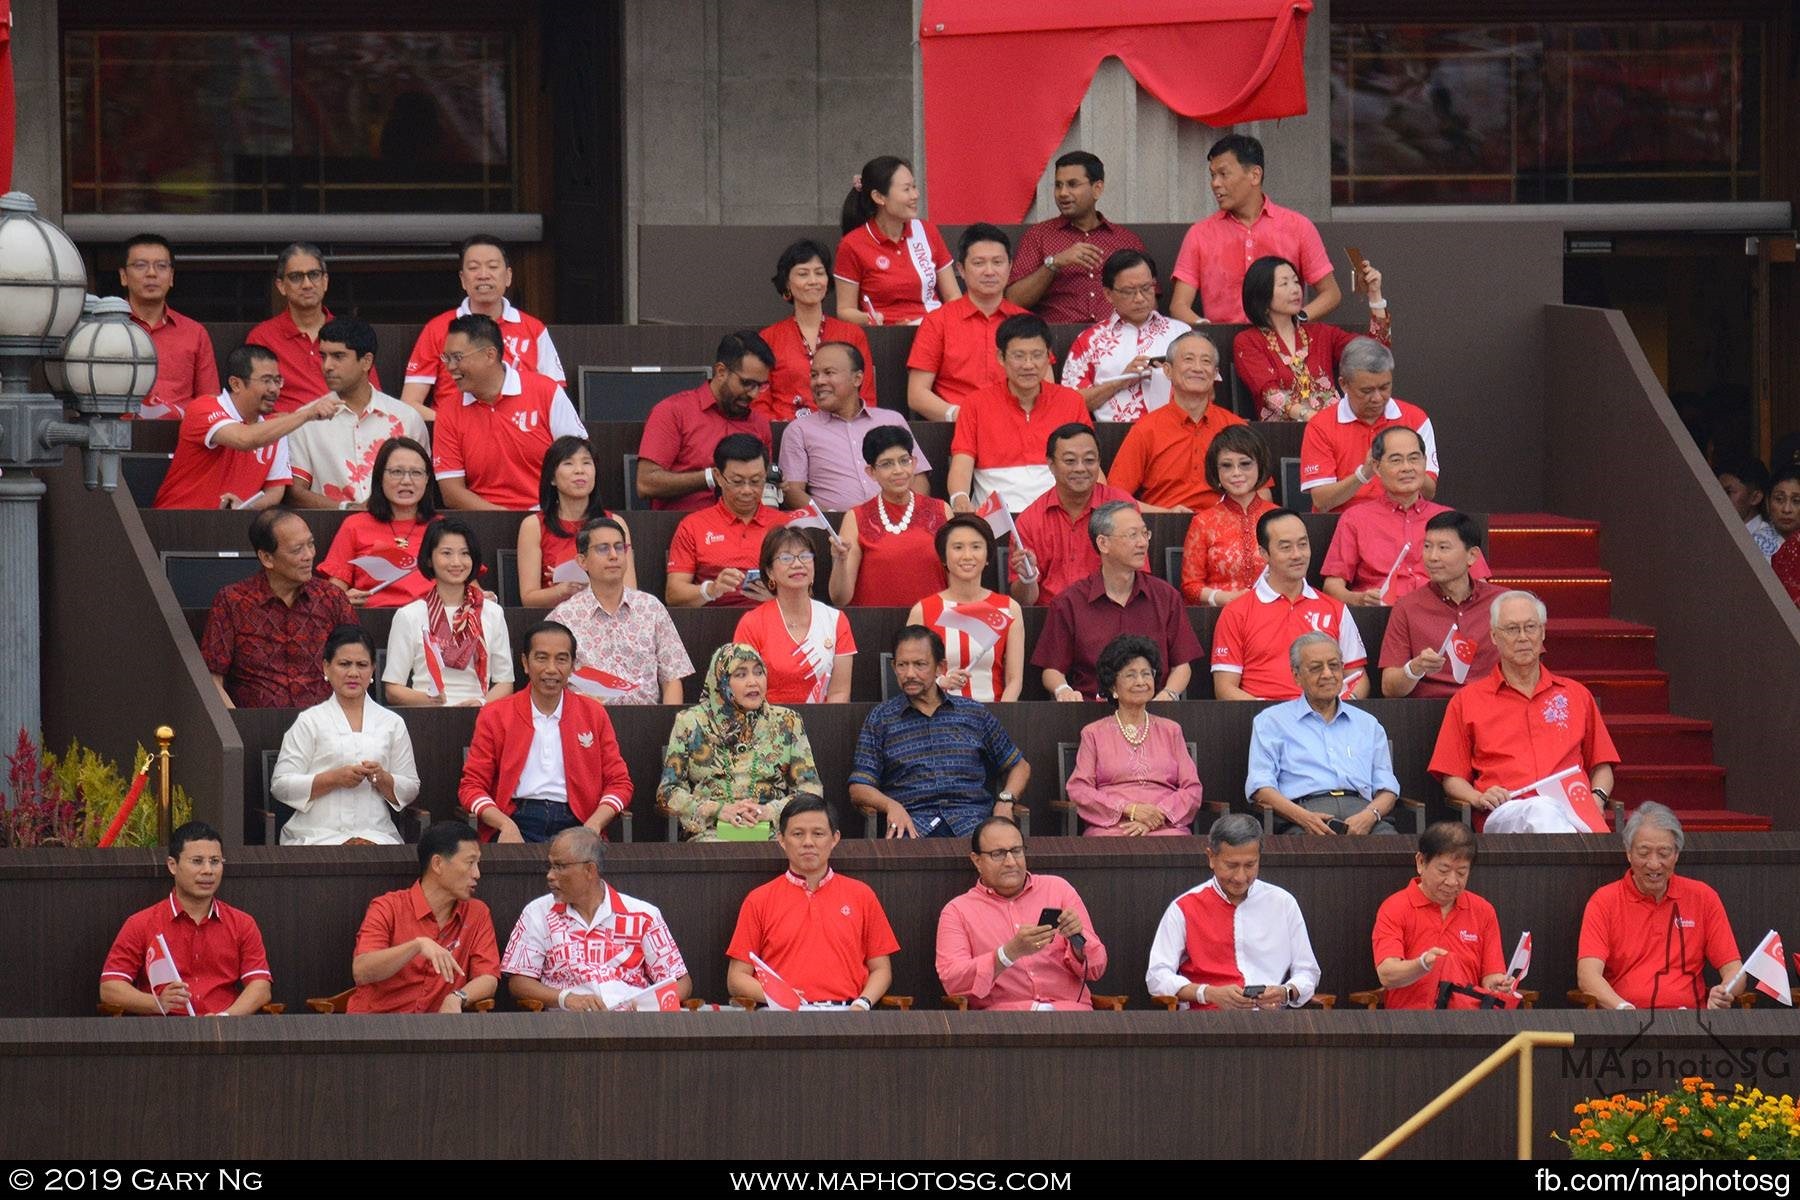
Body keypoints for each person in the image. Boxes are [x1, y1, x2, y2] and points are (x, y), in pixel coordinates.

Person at [1429, 590, 1621, 833]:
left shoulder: (1575, 694)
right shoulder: (1467, 701)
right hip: (1506, 809)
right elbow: (1451, 777)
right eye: (1511, 629)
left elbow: (1602, 763)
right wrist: (1477, 797)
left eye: (1530, 627)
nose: (1522, 637)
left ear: (1542, 633)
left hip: (1574, 806)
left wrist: (1597, 798)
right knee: (1542, 810)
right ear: (1494, 636)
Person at [849, 625, 1028, 840]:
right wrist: (890, 805)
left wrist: (1005, 801)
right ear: (893, 667)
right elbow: (859, 787)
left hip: (973, 824)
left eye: (920, 665)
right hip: (912, 825)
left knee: (998, 850)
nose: (909, 674)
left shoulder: (973, 713)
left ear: (940, 667)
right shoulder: (881, 718)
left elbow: (1019, 766)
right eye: (902, 665)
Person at [459, 621, 632, 843]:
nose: (551, 668)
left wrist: (594, 825)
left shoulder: (593, 713)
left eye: (561, 659)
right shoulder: (495, 714)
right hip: (516, 819)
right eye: (541, 658)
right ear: (525, 663)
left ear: (572, 666)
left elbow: (620, 783)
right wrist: (504, 824)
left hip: (578, 822)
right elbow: (470, 786)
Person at [725, 796, 900, 1008]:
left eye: (818, 834)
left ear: (834, 839)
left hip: (849, 1015)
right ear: (781, 839)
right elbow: (736, 978)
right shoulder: (759, 899)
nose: (808, 842)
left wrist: (862, 1004)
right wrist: (781, 996)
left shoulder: (861, 895)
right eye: (798, 834)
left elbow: (881, 969)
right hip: (783, 1015)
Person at [501, 827, 693, 1011]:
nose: (550, 876)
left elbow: (680, 981)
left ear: (590, 870)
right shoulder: (538, 913)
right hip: (565, 1027)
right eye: (550, 866)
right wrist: (565, 999)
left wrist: (649, 1006)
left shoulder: (643, 915)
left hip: (632, 1025)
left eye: (559, 867)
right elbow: (519, 983)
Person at [1577, 803, 1745, 1011]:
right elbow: (1587, 975)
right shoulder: (1604, 901)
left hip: (1691, 1023)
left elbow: (1736, 971)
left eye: (1664, 853)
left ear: (1676, 854)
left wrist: (1725, 991)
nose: (1654, 864)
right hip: (1626, 1022)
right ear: (1629, 853)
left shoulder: (1703, 897)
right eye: (1644, 853)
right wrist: (1622, 1009)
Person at [1145, 813, 1321, 1009]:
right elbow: (1156, 977)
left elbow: (1308, 972)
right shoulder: (1184, 907)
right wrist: (1208, 993)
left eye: (1250, 865)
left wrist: (1284, 992)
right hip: (1206, 1023)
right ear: (1211, 857)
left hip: (1271, 1021)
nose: (1240, 877)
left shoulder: (1283, 903)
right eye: (1231, 866)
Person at [99, 821, 273, 1016]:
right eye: (197, 861)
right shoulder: (141, 923)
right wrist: (156, 1003)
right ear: (173, 866)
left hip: (224, 1034)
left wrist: (225, 1019)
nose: (208, 870)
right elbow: (110, 987)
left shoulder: (242, 923)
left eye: (215, 861)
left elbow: (260, 987)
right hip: (163, 1036)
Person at [1034, 502, 1201, 702]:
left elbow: (1182, 666)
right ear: (1103, 543)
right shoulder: (1069, 602)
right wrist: (1063, 690)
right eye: (1132, 535)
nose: (1142, 543)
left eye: (1145, 533)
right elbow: (1052, 669)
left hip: (1153, 711)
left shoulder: (1166, 597)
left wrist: (1168, 695)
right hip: (1092, 713)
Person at [935, 817, 1108, 1010]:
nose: (1010, 862)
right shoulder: (957, 911)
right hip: (1007, 1025)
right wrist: (1008, 953)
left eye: (1016, 851)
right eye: (998, 854)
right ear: (977, 861)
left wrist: (1078, 942)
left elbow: (1096, 968)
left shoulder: (1058, 889)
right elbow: (953, 981)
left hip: (1069, 1017)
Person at [657, 644, 824, 842]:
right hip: (710, 832)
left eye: (759, 672)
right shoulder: (691, 722)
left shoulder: (786, 721)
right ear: (722, 680)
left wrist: (769, 811)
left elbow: (811, 789)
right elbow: (667, 794)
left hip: (772, 831)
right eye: (741, 674)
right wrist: (718, 809)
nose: (753, 682)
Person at [271, 626, 421, 846]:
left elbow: (410, 786)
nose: (353, 673)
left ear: (373, 670)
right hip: (316, 836)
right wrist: (334, 778)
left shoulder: (392, 723)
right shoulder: (310, 720)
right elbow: (281, 785)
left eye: (362, 665)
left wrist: (382, 778)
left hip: (376, 835)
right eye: (344, 664)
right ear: (326, 667)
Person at [1169, 135, 1339, 326]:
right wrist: (1206, 331)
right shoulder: (1199, 233)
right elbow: (1179, 305)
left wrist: (1297, 319)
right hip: (1222, 343)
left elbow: (1331, 293)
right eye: (1212, 175)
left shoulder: (1298, 226)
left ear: (1255, 175)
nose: (1215, 183)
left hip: (1282, 343)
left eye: (1223, 174)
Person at [1247, 632, 1402, 835]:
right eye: (1316, 668)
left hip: (1362, 812)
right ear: (1296, 676)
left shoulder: (1368, 724)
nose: (1327, 674)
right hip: (1303, 815)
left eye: (1334, 665)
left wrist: (1370, 815)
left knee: (1391, 847)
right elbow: (1261, 787)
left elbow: (1388, 788)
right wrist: (1303, 818)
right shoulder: (1271, 722)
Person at [201, 508, 357, 709]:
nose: (309, 555)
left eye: (311, 544)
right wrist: (239, 725)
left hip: (325, 727)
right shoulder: (233, 601)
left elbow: (357, 665)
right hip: (257, 728)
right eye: (297, 549)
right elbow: (212, 678)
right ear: (267, 558)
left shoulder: (331, 597)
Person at [153, 344, 341, 510]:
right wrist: (307, 414)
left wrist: (246, 506)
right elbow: (245, 439)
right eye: (266, 380)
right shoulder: (204, 408)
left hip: (231, 528)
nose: (274, 389)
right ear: (236, 384)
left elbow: (275, 491)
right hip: (176, 520)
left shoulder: (274, 427)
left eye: (277, 381)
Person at [401, 235, 564, 423]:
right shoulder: (437, 329)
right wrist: (454, 426)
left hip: (519, 431)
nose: (483, 274)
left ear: (508, 276)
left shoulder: (534, 329)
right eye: (473, 268)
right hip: (455, 435)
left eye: (493, 266)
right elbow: (410, 404)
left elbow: (555, 397)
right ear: (462, 279)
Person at [431, 313, 586, 511]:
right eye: (447, 358)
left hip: (548, 516)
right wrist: (506, 519)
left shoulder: (546, 392)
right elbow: (452, 492)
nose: (450, 367)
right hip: (483, 523)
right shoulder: (448, 411)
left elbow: (579, 460)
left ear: (490, 355)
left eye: (458, 358)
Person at [1211, 509, 1369, 701]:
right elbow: (1225, 688)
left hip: (1325, 719)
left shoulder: (1335, 609)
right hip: (1267, 720)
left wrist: (1340, 705)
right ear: (1264, 553)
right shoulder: (1236, 612)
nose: (1297, 555)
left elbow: (1357, 677)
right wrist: (1277, 716)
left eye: (1303, 545)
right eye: (1286, 547)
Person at [1321, 426, 1489, 606]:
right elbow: (1332, 586)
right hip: (1380, 617)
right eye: (1396, 460)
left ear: (1425, 462)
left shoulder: (1449, 519)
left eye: (1414, 459)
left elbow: (1480, 584)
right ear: (1377, 467)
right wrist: (1358, 599)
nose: (1407, 468)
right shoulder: (1356, 518)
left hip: (1440, 614)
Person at [946, 313, 1093, 515]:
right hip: (996, 521)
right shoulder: (975, 404)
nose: (1028, 365)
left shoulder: (1072, 401)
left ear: (1048, 357)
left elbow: (1088, 463)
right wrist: (959, 498)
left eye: (1036, 355)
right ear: (1001, 357)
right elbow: (962, 464)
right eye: (1019, 356)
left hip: (1057, 516)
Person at [347, 821, 500, 1014]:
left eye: (478, 864)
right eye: (470, 863)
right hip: (378, 1029)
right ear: (437, 864)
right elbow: (362, 971)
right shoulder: (388, 907)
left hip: (436, 1033)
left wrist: (457, 997)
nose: (477, 874)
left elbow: (488, 977)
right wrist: (417, 946)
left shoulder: (477, 913)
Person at [285, 318, 428, 510]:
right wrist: (348, 509)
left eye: (338, 356)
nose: (327, 366)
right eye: (323, 356)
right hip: (331, 528)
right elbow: (295, 493)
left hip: (397, 528)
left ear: (366, 361)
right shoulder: (306, 419)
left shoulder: (407, 417)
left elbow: (424, 483)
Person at [1066, 635, 1202, 836]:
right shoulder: (1093, 733)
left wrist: (1156, 817)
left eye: (1146, 674)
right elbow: (1079, 789)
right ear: (1113, 686)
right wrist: (1129, 809)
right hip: (1113, 827)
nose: (1141, 681)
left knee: (1174, 839)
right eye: (1130, 675)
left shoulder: (1171, 730)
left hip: (1165, 826)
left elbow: (1192, 789)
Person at [548, 517, 693, 706]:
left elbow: (672, 678)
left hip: (647, 722)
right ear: (582, 561)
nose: (614, 555)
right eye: (603, 549)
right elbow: (553, 680)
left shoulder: (651, 607)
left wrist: (668, 725)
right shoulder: (564, 617)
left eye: (619, 547)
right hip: (588, 724)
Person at [1372, 821, 1517, 1009]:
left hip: (1468, 1021)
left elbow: (1491, 976)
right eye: (1443, 870)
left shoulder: (1483, 910)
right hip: (1410, 1023)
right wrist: (1422, 964)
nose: (1452, 881)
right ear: (1421, 862)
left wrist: (1499, 985)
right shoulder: (1395, 907)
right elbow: (1387, 975)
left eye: (1461, 873)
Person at [1109, 330, 1252, 514]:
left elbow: (1261, 494)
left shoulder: (1235, 426)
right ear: (1168, 370)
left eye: (1206, 361)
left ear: (1215, 373)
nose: (1198, 368)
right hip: (1162, 527)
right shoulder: (1146, 429)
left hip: (1225, 529)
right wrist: (1165, 514)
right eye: (1188, 359)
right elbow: (1114, 498)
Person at [1235, 254, 1391, 421]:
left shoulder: (1322, 333)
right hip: (1283, 434)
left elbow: (1375, 355)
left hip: (1333, 429)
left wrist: (1375, 295)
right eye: (1284, 284)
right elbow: (1270, 394)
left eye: (1296, 282)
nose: (1295, 289)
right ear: (1261, 294)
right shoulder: (1248, 341)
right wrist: (1313, 418)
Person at [781, 341, 930, 513]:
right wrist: (829, 521)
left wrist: (907, 515)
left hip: (894, 525)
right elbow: (792, 491)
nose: (819, 381)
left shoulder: (891, 420)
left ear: (857, 379)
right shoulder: (799, 429)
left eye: (829, 373)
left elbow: (918, 477)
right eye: (814, 375)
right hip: (834, 532)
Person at [636, 331, 776, 512]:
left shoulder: (759, 424)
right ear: (721, 372)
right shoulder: (674, 411)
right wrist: (711, 478)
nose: (754, 394)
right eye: (747, 383)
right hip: (682, 527)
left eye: (761, 386)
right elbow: (646, 483)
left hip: (745, 530)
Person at [382, 517, 514, 707]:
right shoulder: (409, 615)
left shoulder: (492, 612)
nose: (456, 562)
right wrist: (429, 701)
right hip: (428, 715)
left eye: (465, 553)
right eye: (446, 553)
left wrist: (481, 703)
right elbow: (393, 689)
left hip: (479, 714)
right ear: (429, 559)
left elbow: (505, 682)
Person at [1006, 151, 1148, 325]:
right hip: (1055, 339)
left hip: (1116, 340)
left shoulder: (1126, 241)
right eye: (1058, 185)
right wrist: (1054, 263)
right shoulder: (1039, 236)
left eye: (1072, 184)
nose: (1063, 193)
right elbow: (1013, 301)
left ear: (1097, 188)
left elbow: (1149, 299)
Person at [1299, 338, 1438, 514]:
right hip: (1342, 524)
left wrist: (1408, 464)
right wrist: (1364, 473)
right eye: (1367, 391)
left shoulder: (1415, 418)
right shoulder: (1321, 426)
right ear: (1344, 384)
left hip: (1404, 521)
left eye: (1385, 387)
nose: (1378, 398)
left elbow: (1429, 492)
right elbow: (1322, 502)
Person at [905, 223, 1027, 420]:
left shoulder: (1027, 322)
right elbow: (917, 395)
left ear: (1010, 266)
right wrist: (960, 416)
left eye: (997, 262)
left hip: (1017, 426)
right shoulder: (938, 321)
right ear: (961, 269)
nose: (989, 271)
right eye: (979, 263)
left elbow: (1045, 388)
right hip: (957, 427)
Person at [1380, 511, 1506, 698]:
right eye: (1427, 546)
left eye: (1443, 548)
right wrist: (1415, 668)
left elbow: (1528, 665)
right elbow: (1389, 688)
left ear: (1472, 556)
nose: (1432, 557)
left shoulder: (1504, 602)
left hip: (1493, 706)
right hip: (1433, 711)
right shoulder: (1407, 607)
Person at [1009, 423, 1137, 606]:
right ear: (1051, 465)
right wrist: (1028, 578)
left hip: (1112, 614)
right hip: (1052, 620)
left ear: (1099, 462)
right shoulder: (1030, 521)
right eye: (1070, 461)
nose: (1080, 468)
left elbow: (1138, 578)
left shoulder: (1122, 509)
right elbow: (1024, 603)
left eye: (1089, 460)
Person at [247, 242, 383, 415]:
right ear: (281, 286)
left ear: (325, 281)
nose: (307, 284)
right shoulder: (262, 338)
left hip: (345, 428)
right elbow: (253, 406)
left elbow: (373, 397)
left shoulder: (350, 333)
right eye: (296, 277)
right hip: (288, 435)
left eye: (314, 275)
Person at [1060, 250, 1191, 422]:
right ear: (1108, 294)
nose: (1140, 298)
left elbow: (1208, 393)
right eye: (1129, 291)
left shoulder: (1182, 334)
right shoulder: (1090, 340)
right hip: (1113, 436)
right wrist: (1121, 381)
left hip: (1176, 431)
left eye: (1146, 288)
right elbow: (1069, 404)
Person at [829, 425, 951, 609]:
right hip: (876, 626)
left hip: (933, 624)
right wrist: (840, 561)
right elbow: (840, 598)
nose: (898, 470)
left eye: (904, 461)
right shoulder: (856, 517)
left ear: (914, 462)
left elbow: (956, 582)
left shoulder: (941, 510)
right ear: (871, 472)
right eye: (887, 464)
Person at [733, 526, 857, 704]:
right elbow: (745, 690)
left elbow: (839, 692)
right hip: (768, 725)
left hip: (824, 724)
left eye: (805, 556)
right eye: (786, 558)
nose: (798, 564)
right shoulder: (752, 623)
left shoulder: (836, 620)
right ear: (770, 572)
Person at [907, 516, 1024, 703]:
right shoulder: (922, 610)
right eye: (958, 547)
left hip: (993, 716)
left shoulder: (1009, 608)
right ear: (944, 557)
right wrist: (939, 683)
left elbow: (1014, 680)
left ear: (987, 556)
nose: (967, 556)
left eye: (976, 547)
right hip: (937, 716)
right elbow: (910, 674)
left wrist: (1002, 715)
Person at [757, 239, 877, 422]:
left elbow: (866, 397)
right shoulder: (768, 338)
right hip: (785, 433)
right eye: (803, 274)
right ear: (787, 283)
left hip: (841, 433)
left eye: (819, 273)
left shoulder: (852, 334)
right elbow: (759, 404)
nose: (813, 281)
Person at [834, 155, 959, 327]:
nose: (915, 195)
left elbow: (953, 297)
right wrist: (874, 320)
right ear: (879, 197)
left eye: (914, 187)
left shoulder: (927, 231)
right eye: (907, 189)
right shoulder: (852, 244)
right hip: (886, 337)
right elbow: (845, 310)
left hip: (935, 330)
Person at [664, 433, 784, 609]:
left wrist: (779, 598)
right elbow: (673, 594)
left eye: (756, 481)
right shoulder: (693, 526)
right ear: (718, 477)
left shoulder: (785, 525)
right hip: (713, 625)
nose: (747, 490)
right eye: (737, 482)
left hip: (772, 623)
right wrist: (711, 590)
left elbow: (807, 593)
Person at [316, 437, 438, 609]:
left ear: (427, 479)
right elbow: (333, 595)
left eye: (416, 473)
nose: (406, 481)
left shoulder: (442, 528)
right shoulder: (355, 525)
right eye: (397, 472)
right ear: (380, 477)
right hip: (373, 622)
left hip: (432, 624)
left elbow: (468, 588)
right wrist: (343, 599)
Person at [516, 435, 636, 609]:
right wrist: (563, 590)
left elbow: (630, 590)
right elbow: (529, 599)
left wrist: (590, 587)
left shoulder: (615, 522)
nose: (580, 470)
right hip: (555, 622)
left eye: (587, 463)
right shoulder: (533, 526)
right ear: (552, 478)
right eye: (568, 463)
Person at [117, 232, 218, 420]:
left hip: (180, 440)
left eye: (161, 266)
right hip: (118, 438)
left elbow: (209, 403)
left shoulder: (194, 333)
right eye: (141, 265)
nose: (152, 273)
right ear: (124, 276)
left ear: (171, 277)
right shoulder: (107, 330)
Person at [1180, 425, 1278, 606]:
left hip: (1274, 614)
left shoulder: (1279, 518)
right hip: (1221, 615)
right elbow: (1190, 586)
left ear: (1260, 465)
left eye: (1245, 464)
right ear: (1215, 471)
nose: (1236, 473)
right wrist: (1222, 598)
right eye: (1226, 465)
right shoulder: (1203, 522)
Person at [1715, 457, 1782, 558]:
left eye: (1728, 492)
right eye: (1718, 492)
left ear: (1755, 498)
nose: (1720, 498)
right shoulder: (1717, 534)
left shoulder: (1768, 542)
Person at [1768, 467, 1800, 605]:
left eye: (1796, 501)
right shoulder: (1750, 542)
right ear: (1767, 503)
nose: (1786, 509)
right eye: (1779, 499)